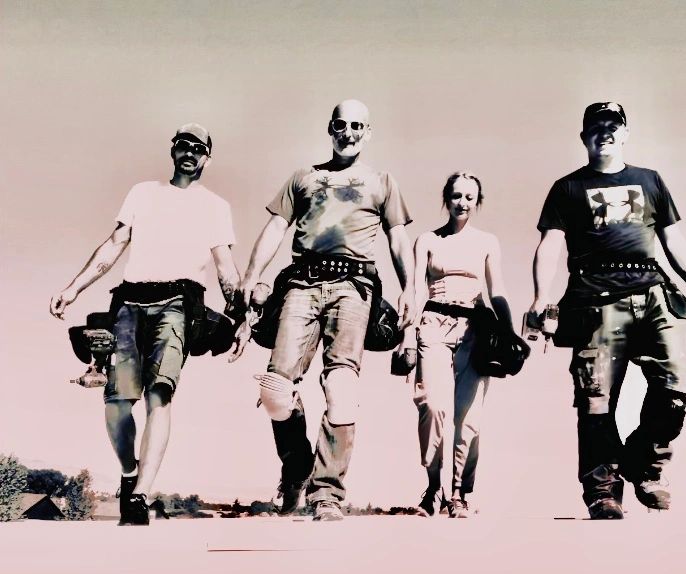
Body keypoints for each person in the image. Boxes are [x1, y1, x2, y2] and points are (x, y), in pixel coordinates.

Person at [231, 99, 415, 522]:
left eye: (356, 126)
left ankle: (327, 493)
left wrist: (411, 288)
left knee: (341, 387)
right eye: (340, 125)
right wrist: (251, 275)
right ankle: (296, 468)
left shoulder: (382, 181)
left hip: (354, 285)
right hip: (301, 282)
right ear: (329, 129)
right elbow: (276, 226)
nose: (347, 132)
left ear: (368, 132)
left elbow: (399, 237)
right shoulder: (304, 177)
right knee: (275, 390)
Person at [50, 123, 240, 525]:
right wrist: (74, 288)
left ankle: (140, 497)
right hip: (129, 301)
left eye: (199, 149)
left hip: (178, 303)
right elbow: (114, 245)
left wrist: (240, 314)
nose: (190, 153)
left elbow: (225, 266)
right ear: (173, 150)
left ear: (207, 157)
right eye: (184, 146)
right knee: (117, 404)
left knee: (160, 394)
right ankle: (129, 472)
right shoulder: (143, 193)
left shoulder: (215, 206)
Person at [530, 102, 686, 519]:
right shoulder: (568, 188)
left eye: (612, 126)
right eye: (596, 127)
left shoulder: (650, 181)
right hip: (595, 298)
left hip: (652, 292)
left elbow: (672, 237)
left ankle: (644, 463)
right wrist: (541, 296)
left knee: (676, 384)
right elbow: (550, 244)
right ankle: (602, 490)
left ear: (625, 133)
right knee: (596, 400)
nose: (604, 133)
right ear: (584, 137)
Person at [396, 171, 528, 518]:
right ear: (446, 198)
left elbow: (496, 289)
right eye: (456, 195)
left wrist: (510, 333)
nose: (462, 202)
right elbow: (416, 288)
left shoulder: (487, 242)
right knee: (433, 407)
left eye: (469, 197)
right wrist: (408, 332)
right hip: (433, 326)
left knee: (468, 418)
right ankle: (433, 488)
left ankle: (459, 492)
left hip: (474, 329)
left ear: (477, 201)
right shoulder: (427, 240)